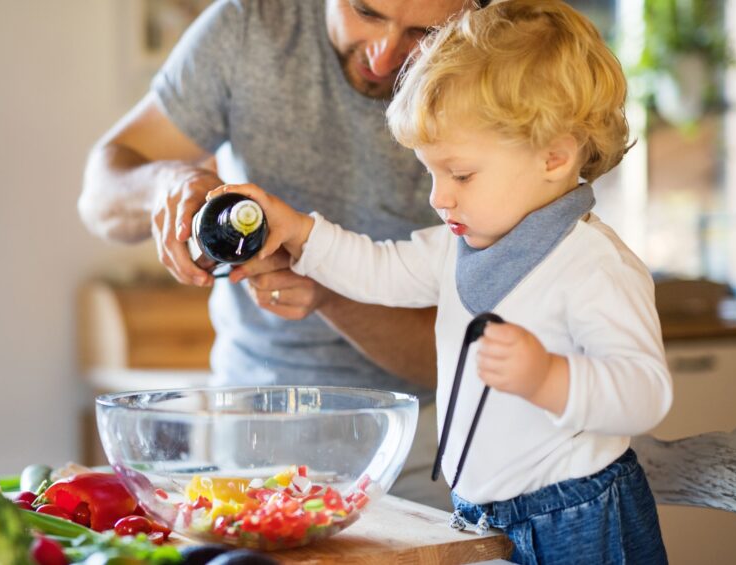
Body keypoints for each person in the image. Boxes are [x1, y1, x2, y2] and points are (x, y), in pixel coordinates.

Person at [209, 1, 673, 563]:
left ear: (554, 156)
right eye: (431, 171)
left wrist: (548, 377)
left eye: (460, 173)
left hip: (576, 516)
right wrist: (298, 231)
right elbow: (375, 269)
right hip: (478, 512)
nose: (438, 195)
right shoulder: (457, 245)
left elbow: (646, 392)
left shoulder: (593, 266)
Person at [78, 0, 480, 508]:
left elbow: (453, 361)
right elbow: (99, 197)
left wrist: (328, 293)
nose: (383, 58)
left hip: (422, 443)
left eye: (425, 33)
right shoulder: (251, 24)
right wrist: (168, 183)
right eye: (366, 13)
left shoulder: (488, 60)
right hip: (247, 430)